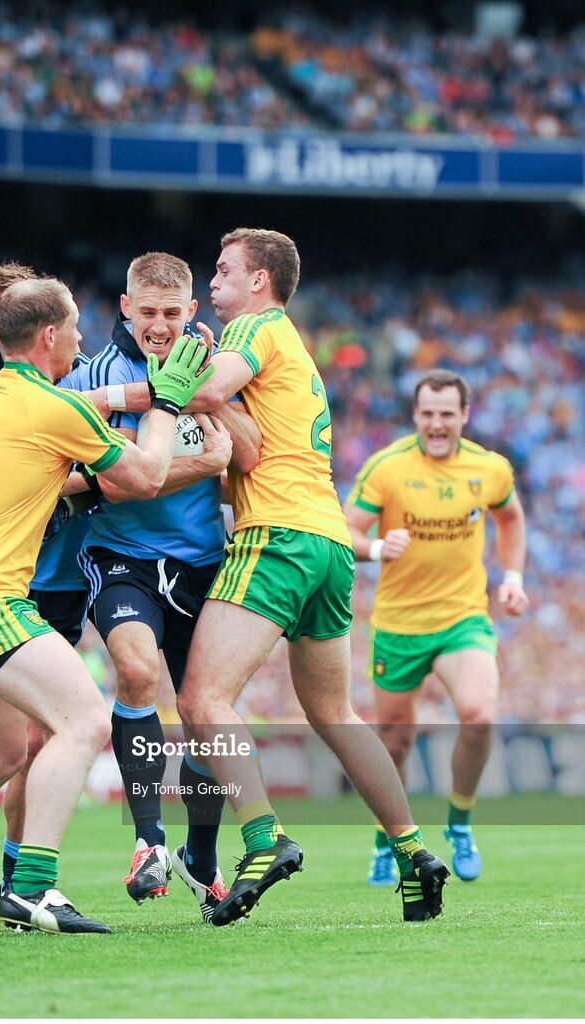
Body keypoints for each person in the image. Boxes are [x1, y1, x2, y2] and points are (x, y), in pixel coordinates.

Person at [0, 277, 214, 935]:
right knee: (81, 720)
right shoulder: (52, 405)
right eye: (75, 328)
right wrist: (167, 401)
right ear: (48, 336)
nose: (82, 340)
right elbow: (141, 473)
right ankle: (33, 889)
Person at [176, 227, 449, 925]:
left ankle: (263, 839)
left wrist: (179, 374)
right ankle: (415, 853)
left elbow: (203, 390)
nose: (212, 283)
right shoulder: (289, 345)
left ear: (259, 280)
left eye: (223, 270)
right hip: (328, 544)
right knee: (334, 712)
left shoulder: (257, 327)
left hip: (278, 537)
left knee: (203, 698)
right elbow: (247, 425)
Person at [79, 252, 262, 921]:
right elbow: (112, 480)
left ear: (191, 313)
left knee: (205, 710)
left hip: (201, 565)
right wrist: (200, 459)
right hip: (121, 554)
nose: (158, 325)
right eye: (146, 311)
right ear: (125, 308)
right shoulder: (97, 375)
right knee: (133, 670)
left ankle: (202, 858)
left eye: (170, 312)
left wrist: (209, 394)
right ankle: (148, 842)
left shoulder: (214, 373)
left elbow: (247, 454)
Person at [344, 369, 529, 885]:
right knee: (395, 744)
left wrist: (512, 576)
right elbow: (346, 529)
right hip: (399, 627)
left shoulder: (489, 469)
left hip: (462, 619)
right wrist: (379, 548)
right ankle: (390, 840)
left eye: (447, 413)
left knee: (478, 714)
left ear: (464, 415)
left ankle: (461, 823)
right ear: (416, 415)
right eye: (428, 413)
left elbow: (511, 519)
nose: (437, 423)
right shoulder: (387, 468)